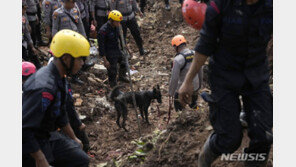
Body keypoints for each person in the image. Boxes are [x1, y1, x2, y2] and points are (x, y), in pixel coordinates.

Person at [178, 0, 273, 166]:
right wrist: (187, 82)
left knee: (263, 136)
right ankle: (204, 159)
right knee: (230, 138)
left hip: (256, 73)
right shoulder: (220, 5)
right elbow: (205, 44)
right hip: (224, 76)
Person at [22, 30, 90, 167]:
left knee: (81, 160)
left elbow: (61, 112)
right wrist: (40, 159)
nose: (82, 63)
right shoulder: (43, 88)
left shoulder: (60, 77)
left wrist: (74, 138)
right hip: (30, 142)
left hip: (48, 135)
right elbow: (24, 128)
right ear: (66, 59)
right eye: (80, 58)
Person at [169, 35, 202, 112]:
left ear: (175, 47)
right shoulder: (195, 53)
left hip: (183, 89)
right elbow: (200, 70)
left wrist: (171, 93)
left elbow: (174, 78)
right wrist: (199, 86)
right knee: (193, 103)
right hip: (195, 87)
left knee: (178, 106)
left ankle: (180, 115)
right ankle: (197, 112)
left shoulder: (177, 60)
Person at [98, 10, 129, 87]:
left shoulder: (117, 27)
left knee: (124, 62)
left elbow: (121, 39)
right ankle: (113, 85)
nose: (119, 23)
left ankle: (122, 76)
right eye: (117, 22)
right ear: (112, 21)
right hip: (109, 53)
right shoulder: (103, 30)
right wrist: (105, 60)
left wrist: (125, 48)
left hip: (117, 50)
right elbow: (101, 46)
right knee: (113, 70)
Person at [23, 1, 42, 69]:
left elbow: (27, 33)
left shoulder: (23, 17)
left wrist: (32, 46)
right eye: (24, 9)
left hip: (24, 41)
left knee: (32, 37)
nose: (25, 10)